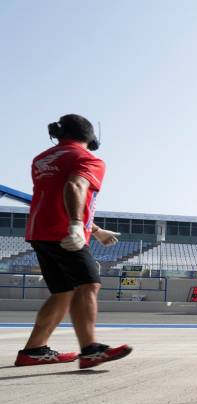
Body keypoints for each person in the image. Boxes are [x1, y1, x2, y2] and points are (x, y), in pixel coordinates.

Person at [15, 114, 132, 368]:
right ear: (91, 138)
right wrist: (77, 226)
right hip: (64, 233)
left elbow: (54, 197)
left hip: (39, 232)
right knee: (88, 284)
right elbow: (75, 187)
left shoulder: (42, 159)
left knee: (62, 292)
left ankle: (33, 350)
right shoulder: (88, 159)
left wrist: (95, 229)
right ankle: (90, 350)